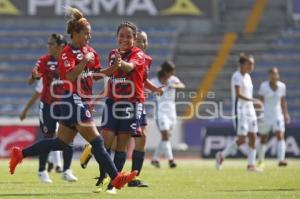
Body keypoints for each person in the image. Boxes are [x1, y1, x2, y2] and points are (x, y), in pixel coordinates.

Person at [9, 7, 137, 191]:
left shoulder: (91, 51)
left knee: (60, 143)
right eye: (86, 33)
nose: (89, 37)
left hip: (81, 99)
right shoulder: (66, 53)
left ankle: (20, 154)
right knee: (98, 141)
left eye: (90, 34)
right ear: (75, 33)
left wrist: (113, 69)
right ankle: (116, 178)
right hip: (71, 97)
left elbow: (95, 75)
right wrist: (84, 60)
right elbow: (69, 77)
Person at [79, 31, 163, 189]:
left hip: (137, 101)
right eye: (138, 40)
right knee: (114, 142)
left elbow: (142, 80)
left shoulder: (146, 59)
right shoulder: (122, 55)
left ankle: (129, 177)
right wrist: (96, 99)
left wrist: (155, 89)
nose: (141, 44)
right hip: (122, 102)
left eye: (144, 41)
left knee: (140, 137)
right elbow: (112, 81)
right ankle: (108, 169)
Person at [20, 33, 77, 183]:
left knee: (68, 137)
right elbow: (30, 81)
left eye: (51, 43)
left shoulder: (70, 60)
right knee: (48, 136)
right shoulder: (44, 60)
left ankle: (67, 170)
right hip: (48, 105)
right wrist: (33, 76)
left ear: (61, 46)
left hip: (65, 104)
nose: (48, 46)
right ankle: (42, 171)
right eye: (48, 43)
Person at [215, 53, 262, 172]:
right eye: (250, 63)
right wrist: (253, 100)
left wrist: (252, 103)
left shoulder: (248, 77)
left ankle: (250, 165)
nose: (252, 66)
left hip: (249, 109)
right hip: (240, 110)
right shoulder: (236, 76)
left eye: (253, 64)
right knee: (242, 139)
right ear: (243, 64)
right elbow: (238, 94)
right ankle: (221, 155)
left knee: (253, 136)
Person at [151, 60, 185, 168]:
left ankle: (155, 159)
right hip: (161, 111)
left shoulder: (173, 80)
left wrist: (174, 85)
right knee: (165, 135)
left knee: (166, 137)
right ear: (165, 71)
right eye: (171, 72)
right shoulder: (155, 81)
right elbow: (148, 88)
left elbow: (182, 85)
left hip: (171, 111)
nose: (172, 74)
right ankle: (171, 160)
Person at [257, 67, 290, 168]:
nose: (274, 76)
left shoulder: (282, 86)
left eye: (276, 73)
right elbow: (261, 101)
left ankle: (281, 160)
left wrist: (285, 114)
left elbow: (283, 101)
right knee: (263, 138)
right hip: (266, 115)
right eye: (272, 74)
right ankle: (260, 160)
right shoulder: (264, 86)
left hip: (277, 115)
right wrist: (259, 114)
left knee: (280, 135)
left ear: (278, 75)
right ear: (269, 75)